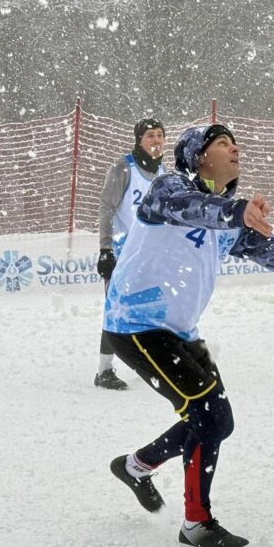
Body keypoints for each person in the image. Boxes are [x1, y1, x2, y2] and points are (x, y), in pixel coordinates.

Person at [103, 123, 274, 547]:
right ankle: (196, 523)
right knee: (208, 416)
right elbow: (189, 207)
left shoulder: (230, 217)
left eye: (236, 144)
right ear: (197, 156)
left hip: (181, 332)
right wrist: (235, 211)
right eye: (222, 144)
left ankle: (136, 466)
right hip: (135, 325)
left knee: (218, 421)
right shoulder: (168, 188)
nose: (235, 150)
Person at [93, 118, 167, 390]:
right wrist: (105, 249)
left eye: (160, 135)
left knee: (153, 309)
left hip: (152, 252)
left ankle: (151, 365)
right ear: (139, 140)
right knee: (116, 310)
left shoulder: (164, 173)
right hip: (124, 250)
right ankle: (104, 371)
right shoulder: (124, 167)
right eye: (151, 135)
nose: (156, 140)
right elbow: (106, 207)